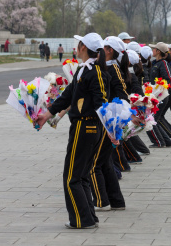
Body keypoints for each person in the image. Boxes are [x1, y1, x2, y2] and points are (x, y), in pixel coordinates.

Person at [34, 32, 109, 229]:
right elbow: (68, 95)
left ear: (84, 47)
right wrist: (47, 114)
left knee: (72, 177)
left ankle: (81, 220)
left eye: (79, 43)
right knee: (81, 175)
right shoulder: (83, 70)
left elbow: (103, 103)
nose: (77, 46)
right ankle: (88, 218)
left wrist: (112, 130)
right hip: (83, 127)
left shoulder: (96, 72)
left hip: (87, 127)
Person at [90, 36, 128, 211]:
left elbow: (122, 95)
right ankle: (116, 201)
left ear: (109, 50)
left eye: (102, 48)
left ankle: (101, 201)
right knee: (104, 162)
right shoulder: (105, 67)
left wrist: (116, 123)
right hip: (104, 119)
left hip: (108, 121)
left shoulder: (113, 69)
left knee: (95, 163)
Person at [147, 42, 171, 147]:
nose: (152, 51)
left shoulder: (163, 63)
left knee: (152, 119)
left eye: (154, 49)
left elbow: (169, 79)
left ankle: (159, 142)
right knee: (155, 119)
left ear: (158, 51)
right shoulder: (155, 63)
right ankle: (167, 141)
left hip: (162, 96)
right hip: (155, 95)